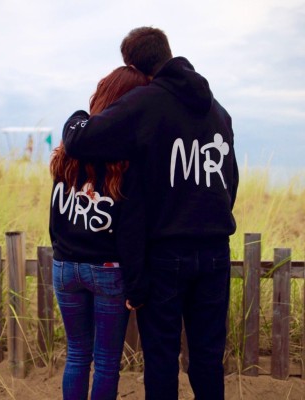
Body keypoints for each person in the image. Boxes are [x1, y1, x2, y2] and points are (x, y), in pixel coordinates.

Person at [62, 27, 239, 400]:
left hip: (165, 255)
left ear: (134, 66)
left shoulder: (146, 101)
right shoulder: (219, 112)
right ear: (167, 52)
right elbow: (230, 181)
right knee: (208, 359)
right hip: (215, 250)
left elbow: (81, 139)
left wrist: (78, 116)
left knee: (161, 358)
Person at [49, 66, 150, 400]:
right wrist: (136, 287)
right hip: (107, 270)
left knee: (77, 354)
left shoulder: (68, 152)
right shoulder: (127, 158)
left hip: (65, 266)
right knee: (106, 362)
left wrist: (62, 251)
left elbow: (55, 215)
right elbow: (131, 232)